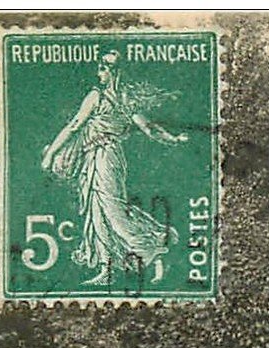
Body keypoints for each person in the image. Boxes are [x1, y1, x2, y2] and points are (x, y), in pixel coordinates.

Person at [40, 49, 188, 285]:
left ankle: (154, 246)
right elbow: (75, 125)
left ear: (115, 71)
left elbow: (147, 127)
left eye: (105, 66)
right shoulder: (109, 98)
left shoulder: (108, 98)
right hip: (94, 157)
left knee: (113, 211)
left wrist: (172, 139)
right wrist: (53, 153)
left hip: (107, 159)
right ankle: (106, 269)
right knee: (96, 212)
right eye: (100, 66)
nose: (100, 71)